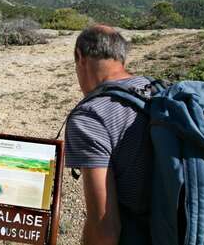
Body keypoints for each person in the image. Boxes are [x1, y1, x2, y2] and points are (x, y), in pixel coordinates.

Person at [64, 25, 152, 245]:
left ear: (79, 57)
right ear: (121, 57)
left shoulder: (91, 117)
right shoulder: (156, 89)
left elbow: (105, 229)